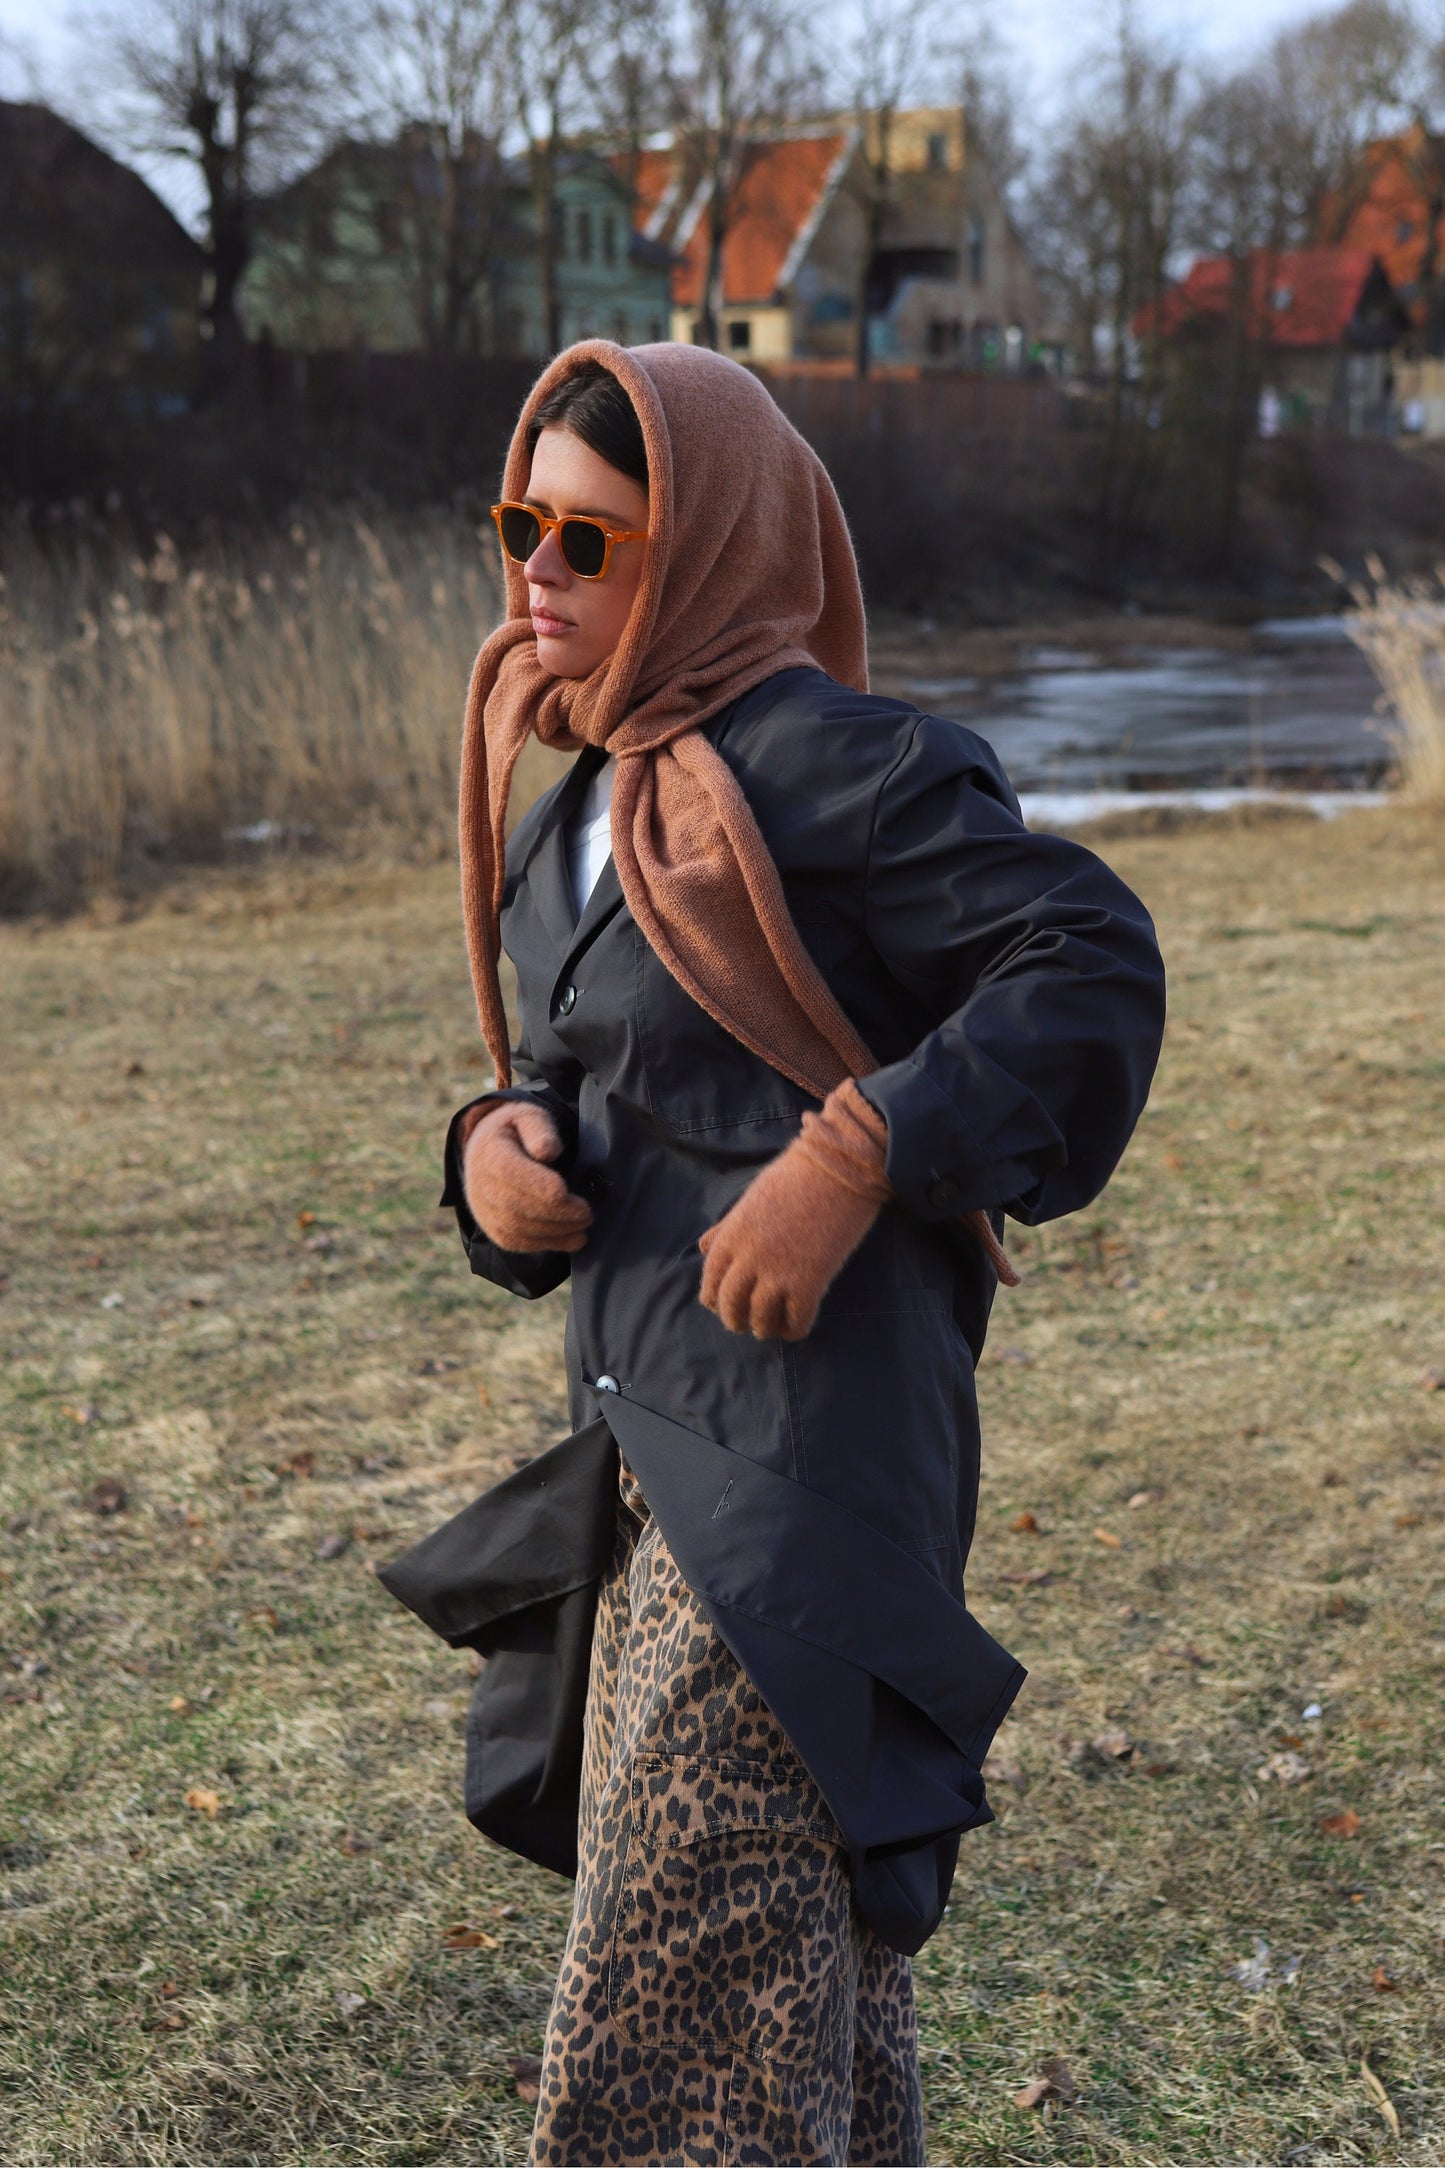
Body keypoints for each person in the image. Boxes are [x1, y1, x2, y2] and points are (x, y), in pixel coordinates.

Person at [380, 342, 1166, 2166]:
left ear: (713, 549)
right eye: (522, 527)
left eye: (592, 542)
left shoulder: (838, 765)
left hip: (808, 1475)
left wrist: (860, 1151)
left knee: (673, 2014)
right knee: (794, 1996)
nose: (537, 577)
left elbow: (1090, 963)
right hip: (640, 1448)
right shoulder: (577, 803)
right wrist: (488, 1153)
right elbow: (580, 1093)